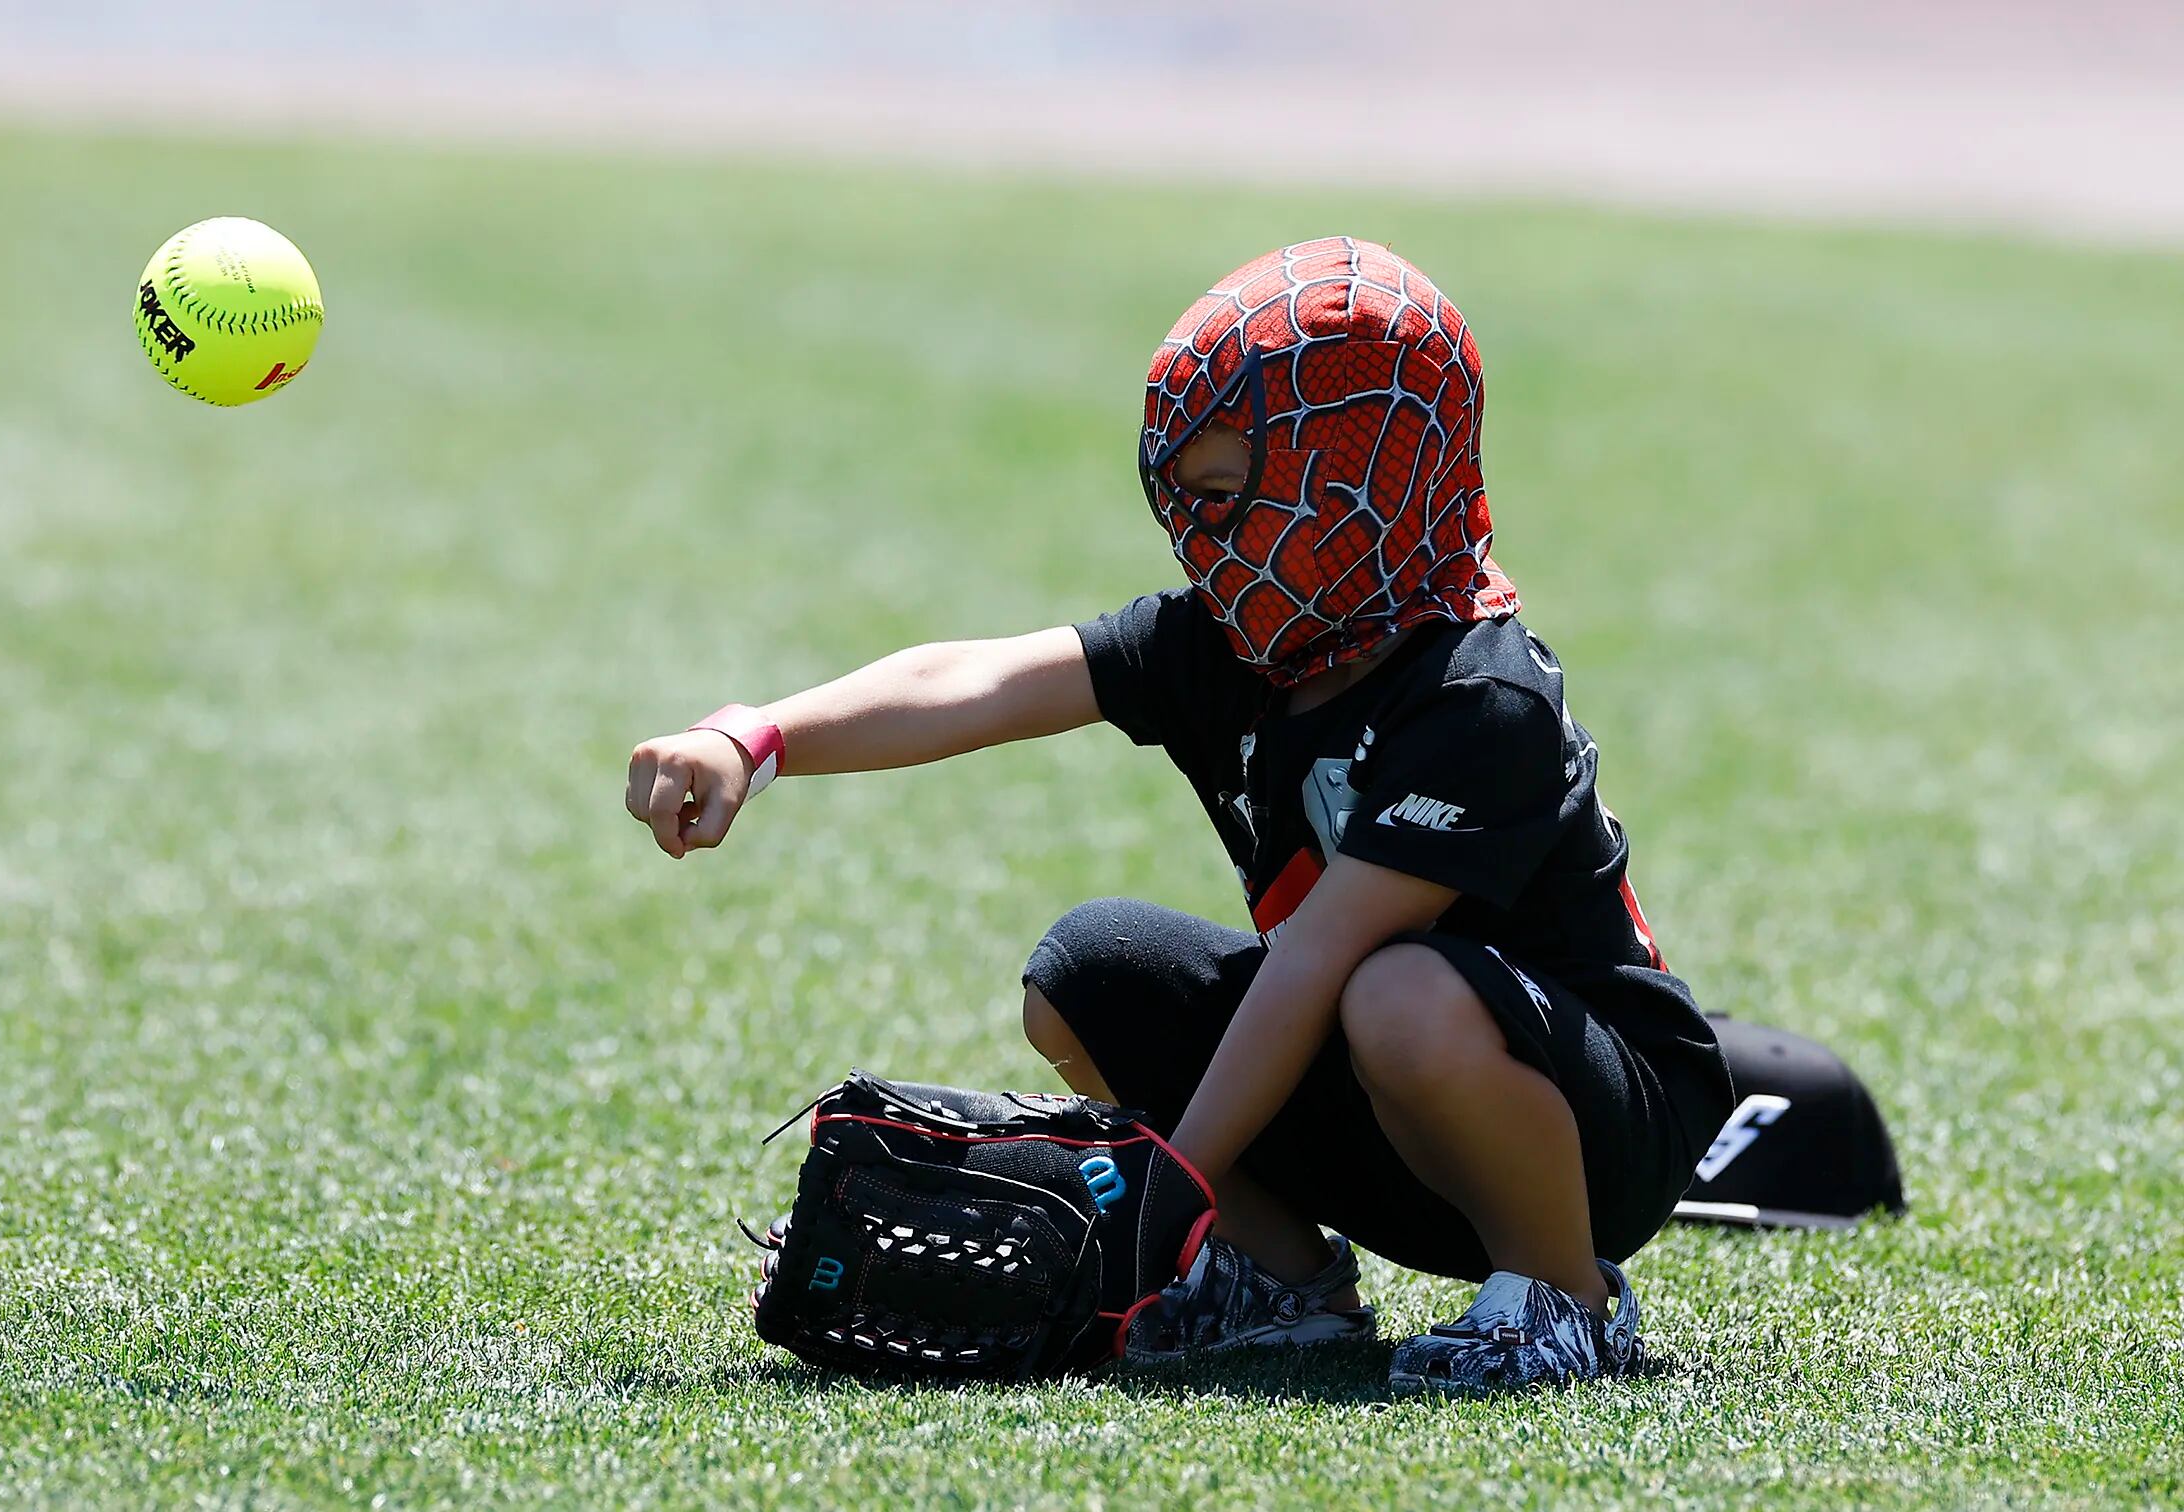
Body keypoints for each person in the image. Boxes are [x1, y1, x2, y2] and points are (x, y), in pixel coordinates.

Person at [624, 237, 1731, 1394]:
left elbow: (1317, 965)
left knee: (1395, 991)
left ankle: (1566, 1298)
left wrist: (1161, 1203)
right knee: (1089, 969)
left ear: (1362, 485)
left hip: (1600, 1131)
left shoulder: (1481, 697)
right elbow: (982, 679)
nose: (1197, 541)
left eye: (1225, 500)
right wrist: (758, 734)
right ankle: (1277, 1280)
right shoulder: (1231, 640)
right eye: (1179, 503)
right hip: (1388, 1074)